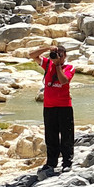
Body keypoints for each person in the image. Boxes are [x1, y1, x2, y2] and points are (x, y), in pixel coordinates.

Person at [28, 42, 75, 177]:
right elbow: (32, 55)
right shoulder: (47, 64)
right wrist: (48, 48)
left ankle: (67, 162)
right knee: (51, 135)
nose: (57, 57)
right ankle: (51, 162)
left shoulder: (69, 67)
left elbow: (63, 81)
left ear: (64, 56)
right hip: (49, 106)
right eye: (56, 54)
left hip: (64, 106)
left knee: (67, 135)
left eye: (60, 55)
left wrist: (58, 65)